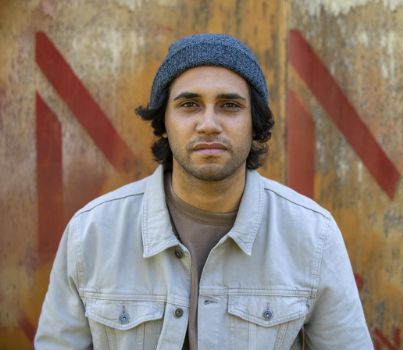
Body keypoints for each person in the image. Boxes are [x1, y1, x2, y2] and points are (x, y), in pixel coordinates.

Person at [35, 33, 373, 349]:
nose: (209, 123)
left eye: (229, 105)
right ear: (163, 123)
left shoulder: (313, 235)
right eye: (189, 105)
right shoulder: (92, 233)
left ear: (254, 122)